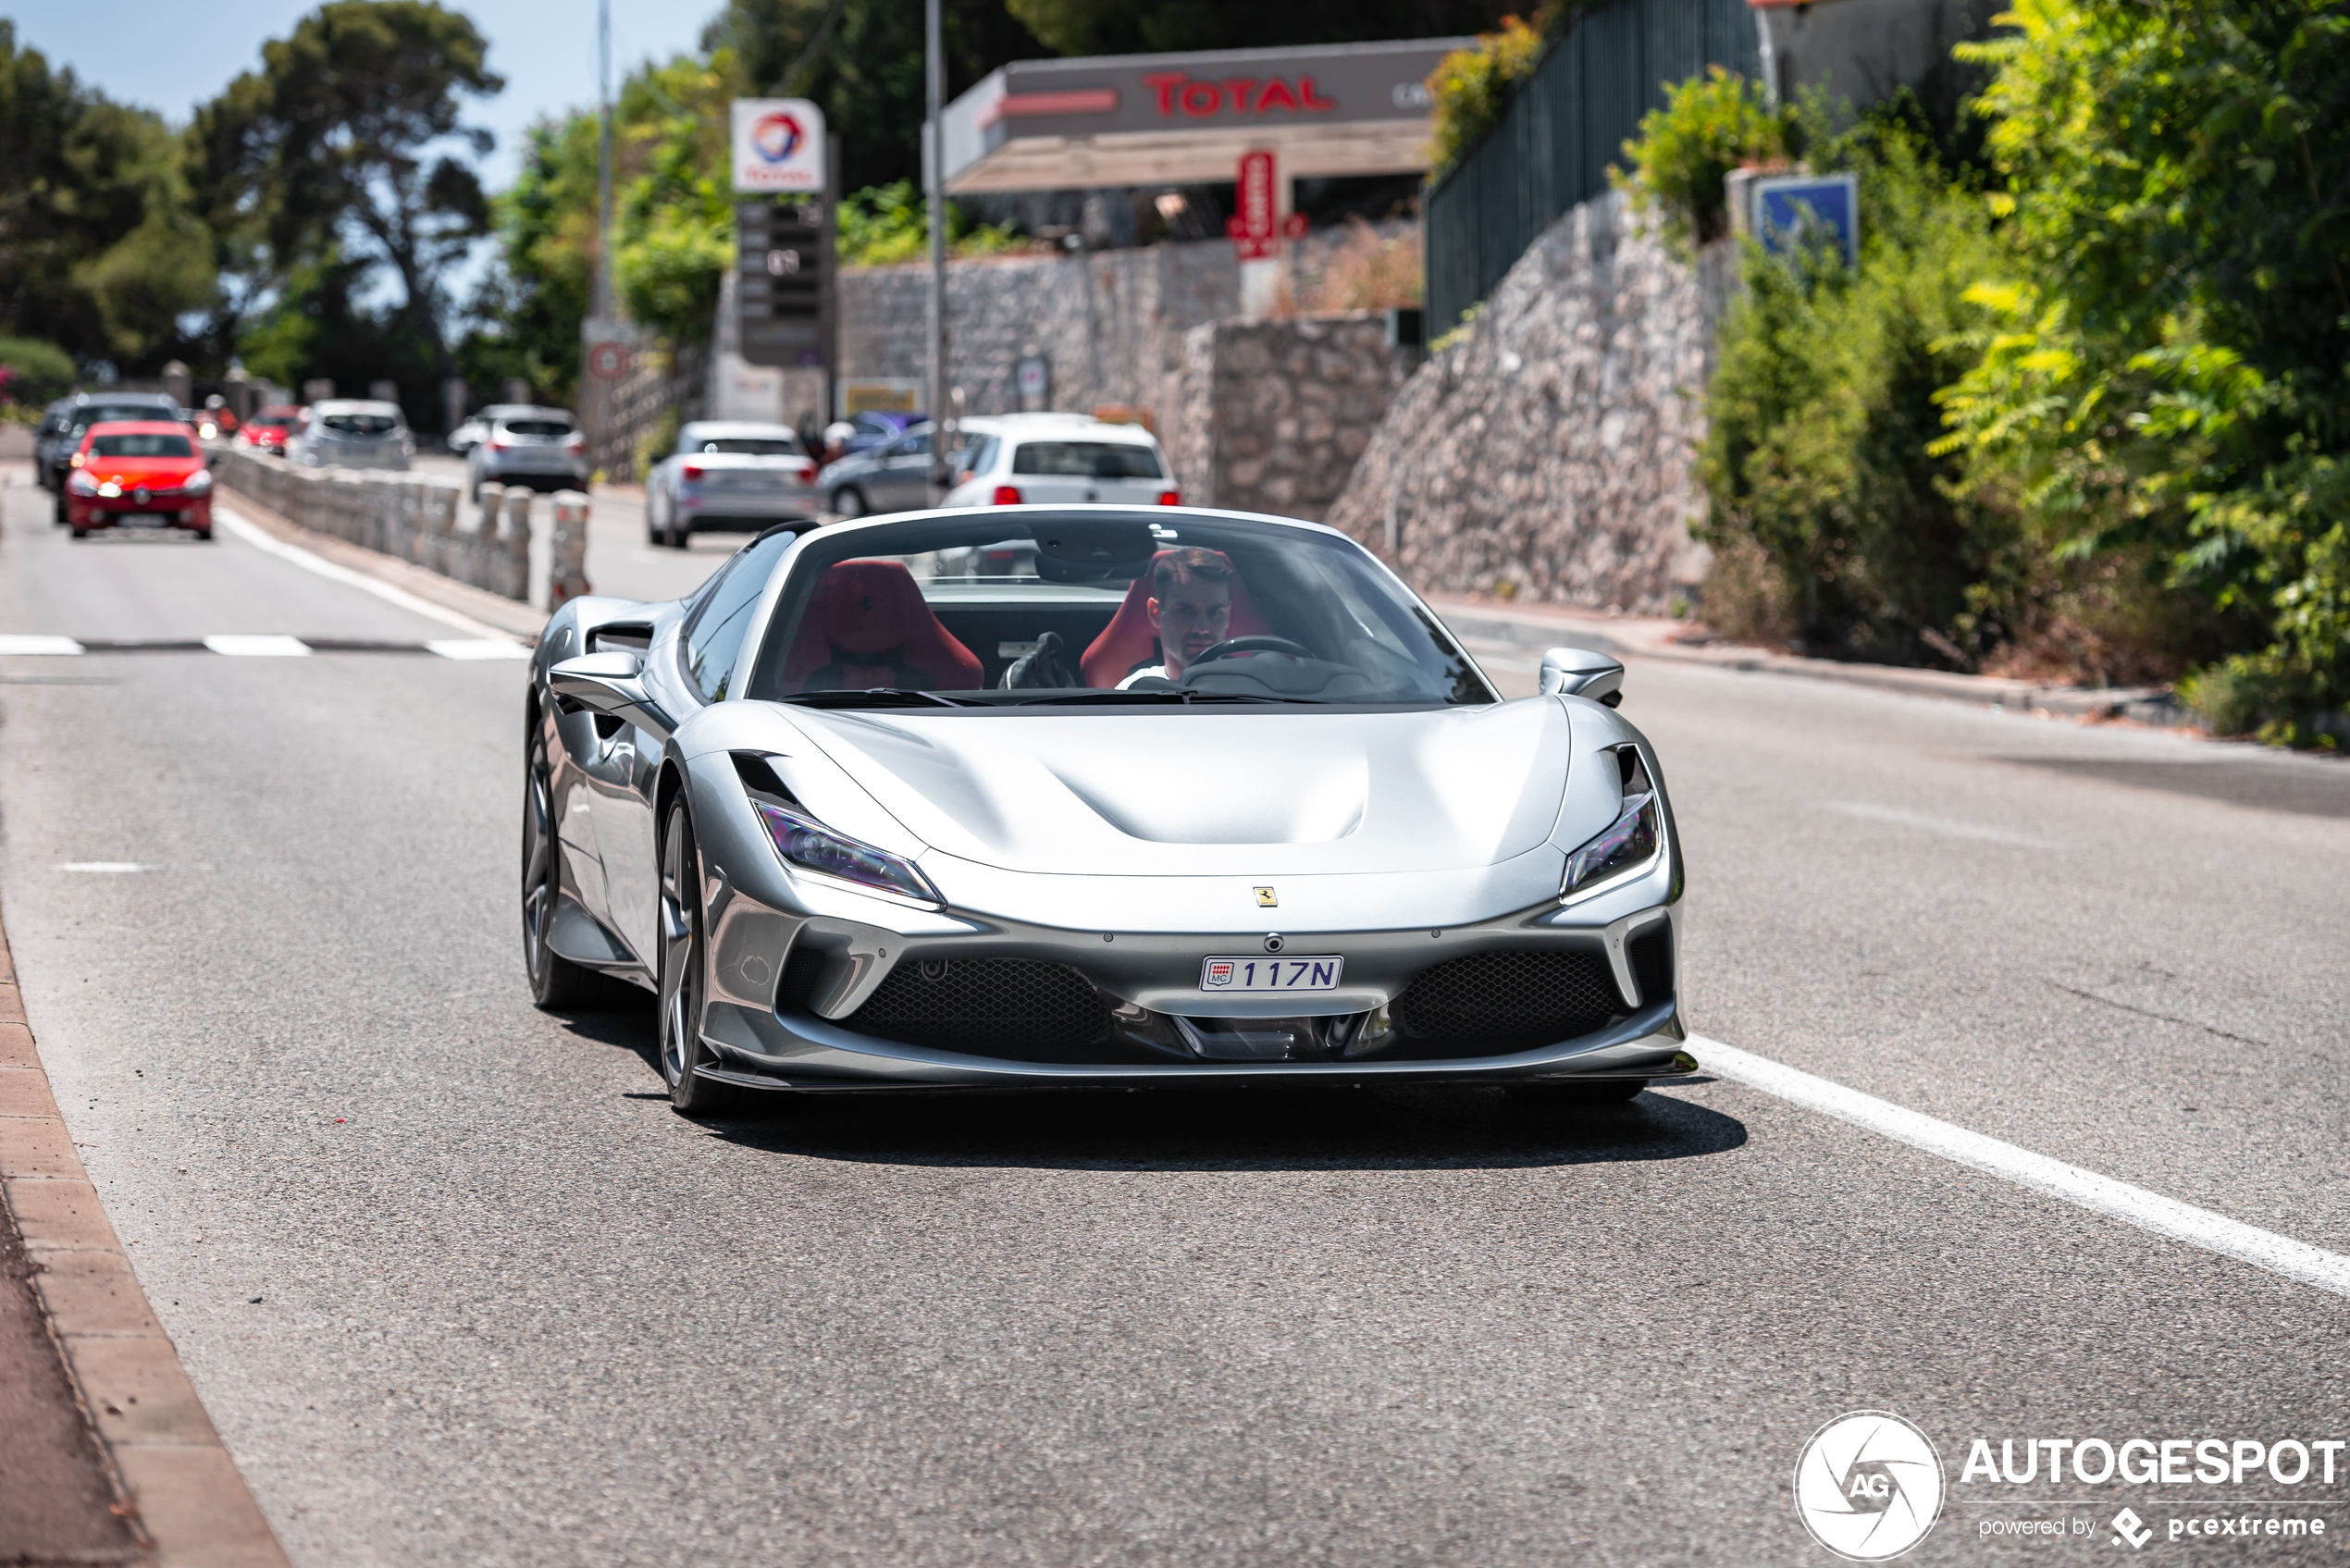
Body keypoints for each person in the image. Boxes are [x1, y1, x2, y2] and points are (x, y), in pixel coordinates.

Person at [1118, 548, 1233, 687]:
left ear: (1228, 614)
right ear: (1155, 614)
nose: (1202, 628)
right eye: (1185, 611)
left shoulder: (1256, 688)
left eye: (1215, 612)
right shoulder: (1132, 693)